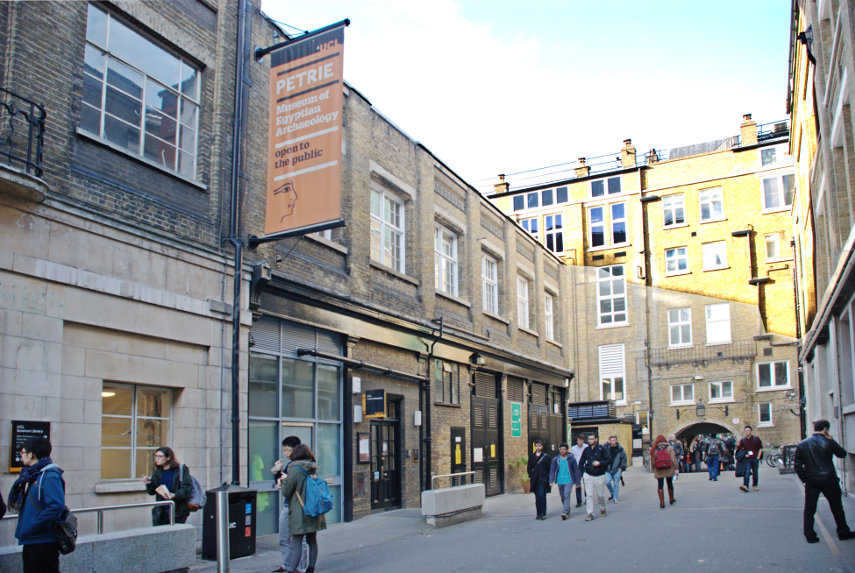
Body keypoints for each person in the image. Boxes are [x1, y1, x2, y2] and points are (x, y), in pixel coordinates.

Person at [9, 437, 65, 573]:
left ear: (32, 454)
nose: (21, 456)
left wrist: (33, 526)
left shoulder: (50, 475)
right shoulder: (33, 475)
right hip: (31, 540)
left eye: (23, 452)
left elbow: (56, 506)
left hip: (43, 540)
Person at [795, 420, 854, 543]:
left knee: (810, 508)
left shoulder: (803, 444)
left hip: (812, 479)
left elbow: (797, 465)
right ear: (825, 429)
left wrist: (805, 479)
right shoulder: (828, 442)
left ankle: (810, 535)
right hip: (829, 479)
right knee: (836, 506)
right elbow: (842, 454)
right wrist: (831, 440)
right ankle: (843, 532)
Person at [280, 444, 326, 573]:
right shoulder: (312, 468)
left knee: (297, 541)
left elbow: (286, 491)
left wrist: (283, 481)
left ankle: (291, 570)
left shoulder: (294, 469)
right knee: (312, 540)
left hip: (300, 510)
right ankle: (310, 569)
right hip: (314, 509)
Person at [271, 436, 305, 573]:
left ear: (296, 449)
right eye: (284, 450)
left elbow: (292, 486)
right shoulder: (288, 465)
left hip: (299, 506)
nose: (285, 453)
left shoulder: (302, 465)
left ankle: (300, 568)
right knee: (284, 537)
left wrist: (283, 479)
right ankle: (287, 564)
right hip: (287, 504)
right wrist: (278, 472)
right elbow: (282, 485)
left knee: (300, 540)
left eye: (288, 450)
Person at [143, 446, 193, 525]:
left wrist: (175, 495)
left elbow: (187, 488)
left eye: (160, 456)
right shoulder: (157, 472)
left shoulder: (180, 470)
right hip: (161, 511)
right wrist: (149, 483)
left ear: (168, 457)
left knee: (175, 534)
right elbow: (152, 492)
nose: (157, 459)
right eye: (156, 456)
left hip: (177, 510)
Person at [579, 434, 610, 521]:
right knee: (589, 495)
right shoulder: (586, 450)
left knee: (600, 495)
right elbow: (581, 462)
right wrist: (583, 474)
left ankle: (602, 508)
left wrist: (599, 463)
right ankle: (590, 513)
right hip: (588, 475)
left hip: (599, 475)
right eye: (588, 439)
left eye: (592, 439)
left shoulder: (601, 449)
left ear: (596, 439)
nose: (590, 441)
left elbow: (608, 460)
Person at [549, 443, 581, 520]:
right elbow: (552, 470)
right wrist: (551, 480)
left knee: (567, 495)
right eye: (561, 449)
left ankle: (565, 511)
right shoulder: (556, 459)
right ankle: (567, 508)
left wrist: (577, 482)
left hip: (569, 480)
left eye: (564, 449)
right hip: (560, 480)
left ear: (567, 450)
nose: (562, 451)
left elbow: (576, 470)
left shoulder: (571, 459)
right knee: (563, 497)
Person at [650, 434, 678, 508]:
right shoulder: (669, 447)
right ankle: (671, 499)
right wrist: (676, 468)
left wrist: (653, 468)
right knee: (669, 483)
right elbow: (673, 459)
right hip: (668, 468)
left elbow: (652, 460)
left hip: (659, 469)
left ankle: (662, 502)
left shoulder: (654, 449)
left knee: (660, 485)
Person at [527, 440, 551, 520]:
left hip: (543, 479)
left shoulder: (546, 457)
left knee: (542, 495)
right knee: (537, 497)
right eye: (536, 446)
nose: (538, 447)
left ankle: (543, 512)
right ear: (535, 447)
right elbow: (529, 467)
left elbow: (549, 468)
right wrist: (531, 475)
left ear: (542, 446)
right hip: (535, 480)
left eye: (539, 446)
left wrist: (548, 478)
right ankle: (538, 513)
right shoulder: (531, 456)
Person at [737, 426, 763, 492]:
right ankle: (745, 486)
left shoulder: (756, 439)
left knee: (755, 473)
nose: (747, 432)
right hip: (747, 459)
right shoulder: (743, 440)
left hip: (754, 458)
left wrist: (758, 457)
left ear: (751, 431)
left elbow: (760, 448)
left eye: (748, 430)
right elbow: (740, 450)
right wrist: (744, 455)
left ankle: (755, 485)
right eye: (746, 430)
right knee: (746, 472)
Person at [604, 435, 627, 503]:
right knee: (607, 482)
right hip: (608, 469)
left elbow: (624, 459)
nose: (612, 442)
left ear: (616, 441)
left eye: (614, 440)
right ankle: (613, 493)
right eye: (611, 440)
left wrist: (621, 468)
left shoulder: (620, 449)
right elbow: (601, 448)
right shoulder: (607, 448)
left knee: (616, 483)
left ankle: (615, 498)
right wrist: (606, 443)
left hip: (617, 469)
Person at [569, 435, 588, 508]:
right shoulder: (573, 448)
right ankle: (579, 501)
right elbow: (572, 458)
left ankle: (587, 498)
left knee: (586, 483)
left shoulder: (586, 447)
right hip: (576, 467)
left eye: (581, 440)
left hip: (584, 467)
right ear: (576, 441)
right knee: (577, 484)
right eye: (579, 440)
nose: (580, 442)